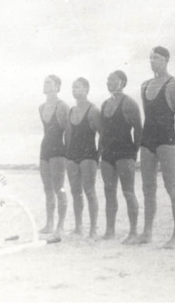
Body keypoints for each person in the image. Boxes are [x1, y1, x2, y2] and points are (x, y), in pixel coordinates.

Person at [137, 46, 175, 249]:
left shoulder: (174, 85)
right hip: (147, 140)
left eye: (156, 58)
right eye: (150, 58)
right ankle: (147, 232)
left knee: (171, 186)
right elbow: (147, 115)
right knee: (148, 187)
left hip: (166, 140)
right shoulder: (144, 85)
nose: (152, 62)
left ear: (166, 60)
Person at [100, 70, 142, 244]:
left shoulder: (129, 103)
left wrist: (134, 153)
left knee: (128, 191)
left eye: (113, 79)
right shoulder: (104, 104)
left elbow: (138, 129)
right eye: (108, 79)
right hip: (108, 154)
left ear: (122, 82)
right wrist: (100, 150)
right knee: (109, 192)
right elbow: (102, 131)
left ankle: (133, 232)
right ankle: (110, 231)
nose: (109, 82)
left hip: (125, 152)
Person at [66, 77, 101, 239]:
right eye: (73, 87)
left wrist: (97, 155)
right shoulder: (71, 111)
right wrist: (68, 154)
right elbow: (69, 135)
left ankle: (93, 228)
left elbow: (103, 134)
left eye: (78, 87)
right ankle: (78, 227)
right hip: (72, 155)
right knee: (75, 193)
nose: (74, 90)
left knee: (89, 191)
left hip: (88, 154)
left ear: (86, 89)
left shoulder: (93, 110)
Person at [39, 75, 69, 236]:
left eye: (48, 83)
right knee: (47, 189)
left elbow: (68, 131)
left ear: (57, 86)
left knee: (59, 188)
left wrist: (69, 153)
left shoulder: (62, 106)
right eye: (44, 82)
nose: (45, 85)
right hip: (44, 150)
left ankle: (61, 225)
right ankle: (49, 224)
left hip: (58, 150)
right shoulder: (41, 107)